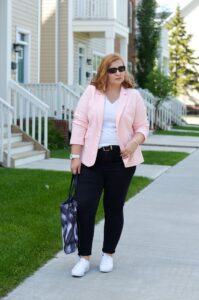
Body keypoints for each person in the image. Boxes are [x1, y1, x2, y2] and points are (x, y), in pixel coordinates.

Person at [69, 53, 149, 277]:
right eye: (113, 70)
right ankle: (83, 258)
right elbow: (79, 122)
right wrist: (75, 156)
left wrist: (134, 142)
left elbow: (143, 126)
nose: (118, 73)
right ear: (104, 72)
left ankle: (107, 254)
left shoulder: (133, 96)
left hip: (121, 161)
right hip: (91, 160)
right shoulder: (92, 93)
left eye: (121, 68)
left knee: (114, 208)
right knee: (85, 207)